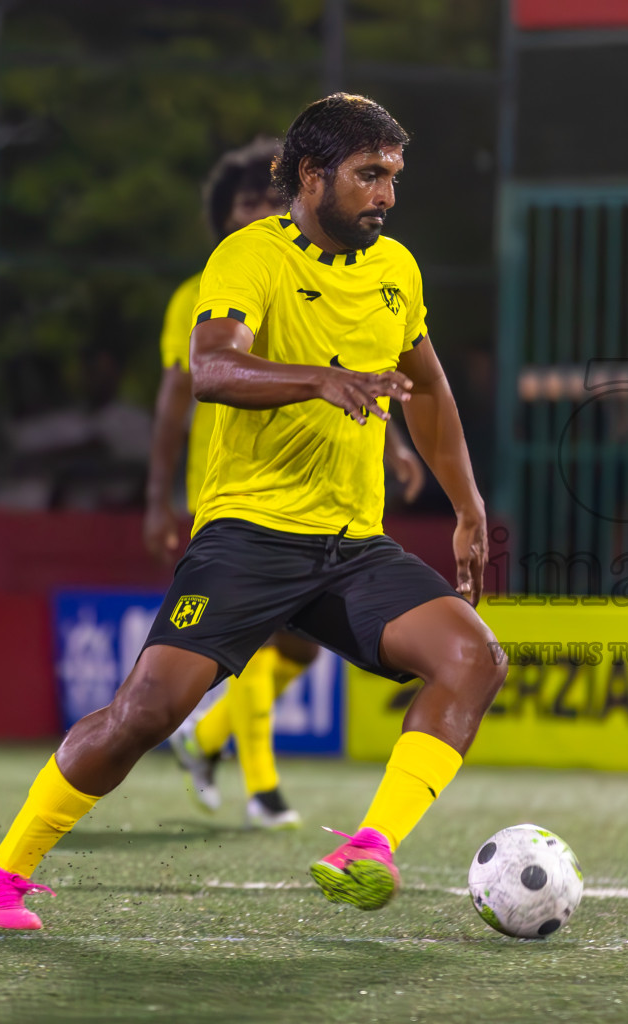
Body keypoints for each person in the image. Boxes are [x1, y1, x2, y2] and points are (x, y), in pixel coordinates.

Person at [0, 93, 504, 931]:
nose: (386, 196)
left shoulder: (398, 270)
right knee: (145, 714)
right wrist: (319, 377)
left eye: (393, 176)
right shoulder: (248, 257)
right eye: (368, 176)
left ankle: (370, 848)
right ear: (312, 176)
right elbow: (211, 371)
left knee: (473, 656)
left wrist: (467, 506)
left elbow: (425, 386)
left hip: (352, 543)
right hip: (247, 536)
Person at [145, 139, 423, 829]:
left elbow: (340, 365)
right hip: (241, 490)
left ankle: (204, 740)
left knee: (296, 645)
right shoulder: (203, 291)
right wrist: (157, 495)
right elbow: (178, 396)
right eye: (242, 202)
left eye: (264, 201)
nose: (255, 212)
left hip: (324, 489)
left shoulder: (328, 273)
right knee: (262, 637)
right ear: (221, 213)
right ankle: (263, 788)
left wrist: (391, 438)